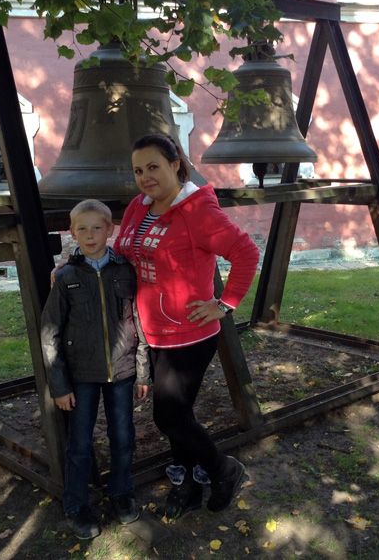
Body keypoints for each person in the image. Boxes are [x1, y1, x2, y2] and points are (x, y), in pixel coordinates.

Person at [115, 133, 260, 520]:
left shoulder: (198, 211)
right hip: (151, 330)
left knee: (168, 415)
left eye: (153, 167)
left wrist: (224, 304)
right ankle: (189, 486)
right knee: (178, 414)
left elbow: (246, 252)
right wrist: (74, 264)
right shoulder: (138, 207)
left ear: (176, 164)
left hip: (189, 334)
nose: (145, 177)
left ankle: (223, 469)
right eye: (138, 170)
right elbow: (121, 250)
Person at [41, 199, 150, 540]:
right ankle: (76, 504)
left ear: (110, 230)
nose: (90, 235)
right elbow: (49, 332)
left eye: (97, 228)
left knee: (123, 436)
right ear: (72, 233)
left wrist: (143, 371)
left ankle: (121, 492)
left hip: (122, 371)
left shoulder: (125, 271)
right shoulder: (66, 277)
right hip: (81, 375)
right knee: (79, 443)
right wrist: (59, 386)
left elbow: (139, 322)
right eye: (82, 229)